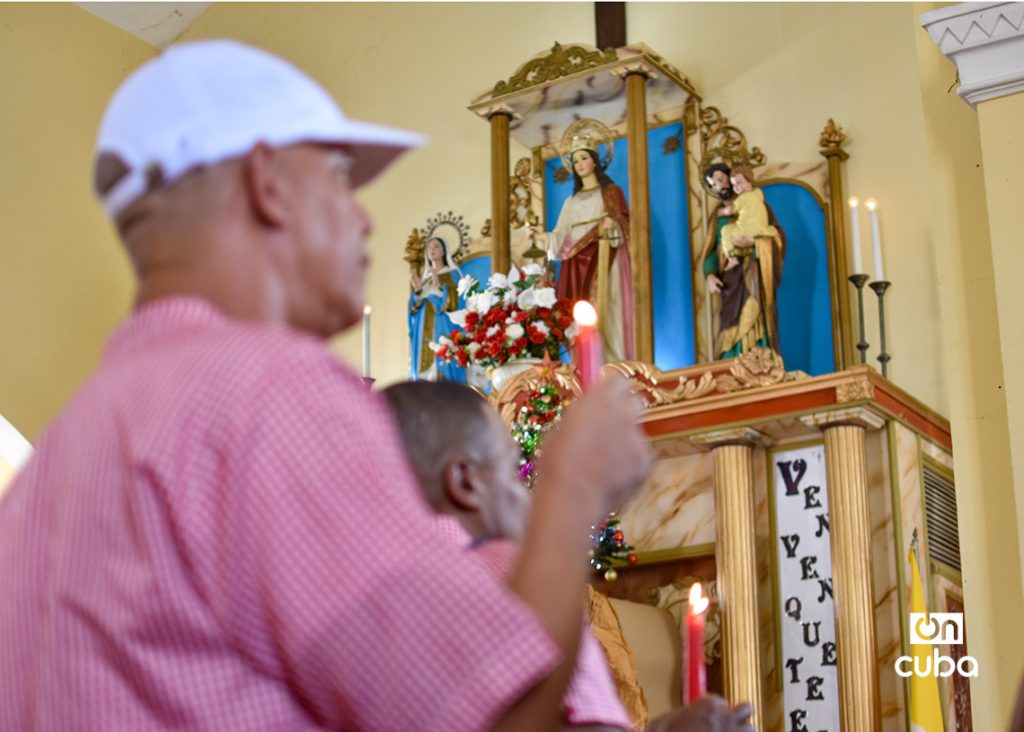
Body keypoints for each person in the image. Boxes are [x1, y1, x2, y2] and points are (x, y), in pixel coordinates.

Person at [0, 39, 751, 732]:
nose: (363, 220)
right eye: (338, 178)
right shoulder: (268, 391)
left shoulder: (61, 452)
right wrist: (572, 485)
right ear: (266, 183)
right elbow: (485, 716)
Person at [529, 140, 635, 363]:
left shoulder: (611, 192)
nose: (579, 164)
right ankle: (586, 364)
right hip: (575, 261)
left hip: (605, 255)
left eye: (584, 158)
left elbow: (625, 222)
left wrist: (612, 224)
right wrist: (542, 238)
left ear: (595, 161)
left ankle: (613, 361)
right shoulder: (571, 200)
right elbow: (560, 235)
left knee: (608, 307)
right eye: (575, 160)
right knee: (577, 313)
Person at [700, 162, 786, 359]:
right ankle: (732, 361)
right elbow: (711, 250)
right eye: (713, 184)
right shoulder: (718, 217)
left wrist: (755, 242)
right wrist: (710, 274)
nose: (718, 187)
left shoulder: (757, 205)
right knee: (730, 319)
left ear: (733, 179)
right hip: (730, 279)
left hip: (755, 270)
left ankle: (761, 357)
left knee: (757, 313)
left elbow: (777, 237)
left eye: (721, 180)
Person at [408, 235, 465, 382]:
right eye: (429, 248)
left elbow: (455, 302)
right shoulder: (425, 279)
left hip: (442, 324)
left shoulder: (453, 274)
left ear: (444, 251)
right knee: (424, 370)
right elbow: (415, 308)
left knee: (442, 362)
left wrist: (439, 284)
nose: (432, 250)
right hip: (423, 327)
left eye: (436, 246)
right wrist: (419, 290)